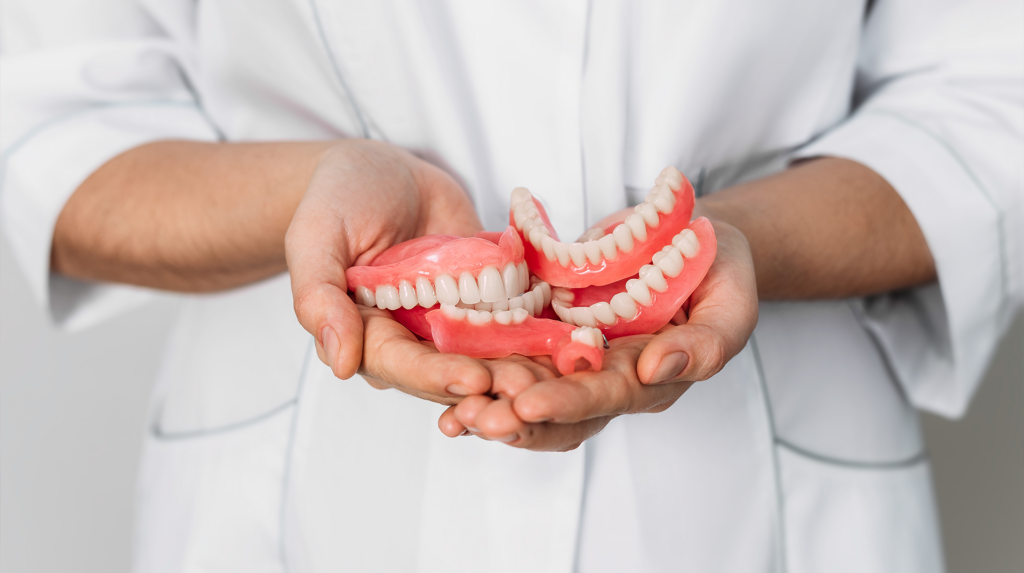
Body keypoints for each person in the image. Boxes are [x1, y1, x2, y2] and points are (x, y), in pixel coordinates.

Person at [2, 0, 1020, 571]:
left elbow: (990, 99)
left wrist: (740, 241)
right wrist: (305, 197)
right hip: (301, 512)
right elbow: (51, 130)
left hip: (758, 511)